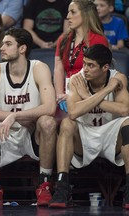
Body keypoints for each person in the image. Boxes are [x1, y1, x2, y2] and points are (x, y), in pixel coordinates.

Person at [0, 28, 57, 206]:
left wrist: (15, 115)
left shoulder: (39, 68)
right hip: (4, 134)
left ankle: (44, 184)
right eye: (2, 43)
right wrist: (10, 117)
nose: (2, 47)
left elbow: (50, 107)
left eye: (8, 44)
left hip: (32, 134)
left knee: (48, 122)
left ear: (22, 48)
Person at [49, 44, 129, 208]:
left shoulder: (118, 78)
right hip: (84, 136)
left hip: (111, 135)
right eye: (84, 63)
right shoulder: (76, 79)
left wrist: (87, 98)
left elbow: (124, 109)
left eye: (91, 65)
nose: (85, 69)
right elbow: (73, 112)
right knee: (67, 123)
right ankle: (62, 186)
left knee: (128, 123)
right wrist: (105, 91)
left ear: (105, 67)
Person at [54, 0, 109, 113]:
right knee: (45, 122)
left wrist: (74, 95)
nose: (68, 16)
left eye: (73, 12)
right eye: (68, 12)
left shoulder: (98, 40)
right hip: (65, 95)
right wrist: (60, 95)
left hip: (88, 95)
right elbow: (58, 69)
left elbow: (99, 74)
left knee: (67, 124)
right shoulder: (63, 39)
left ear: (85, 14)